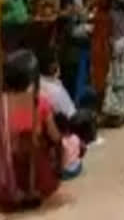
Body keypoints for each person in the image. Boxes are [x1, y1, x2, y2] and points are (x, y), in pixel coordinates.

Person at [1, 50, 61, 211]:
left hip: (5, 182)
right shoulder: (40, 103)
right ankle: (31, 190)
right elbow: (55, 136)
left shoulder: (4, 105)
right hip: (33, 182)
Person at [91, 0, 121, 102]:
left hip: (104, 19)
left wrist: (92, 4)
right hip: (117, 20)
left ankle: (103, 95)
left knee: (102, 59)